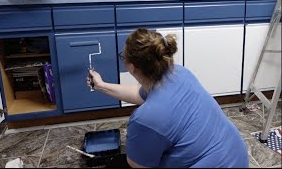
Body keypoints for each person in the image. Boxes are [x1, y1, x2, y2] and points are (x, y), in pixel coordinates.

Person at [87, 28, 249, 168]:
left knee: (118, 163)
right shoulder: (179, 73)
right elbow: (140, 93)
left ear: (131, 67)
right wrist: (101, 85)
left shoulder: (144, 119)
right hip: (237, 157)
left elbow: (137, 164)